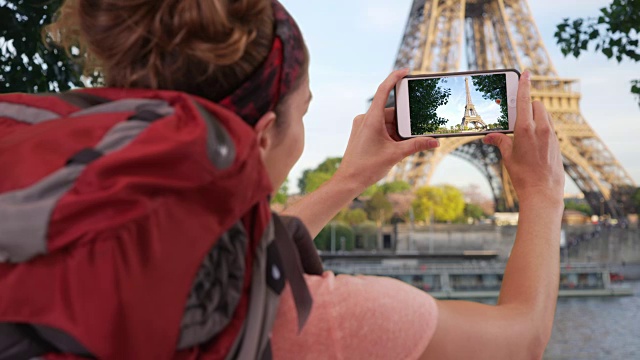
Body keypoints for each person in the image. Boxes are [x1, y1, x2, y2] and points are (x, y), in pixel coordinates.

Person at [5, 0, 565, 358]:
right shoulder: (321, 321)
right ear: (265, 135)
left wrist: (348, 179)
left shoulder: (51, 243)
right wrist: (541, 195)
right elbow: (522, 339)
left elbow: (213, 255)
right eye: (304, 111)